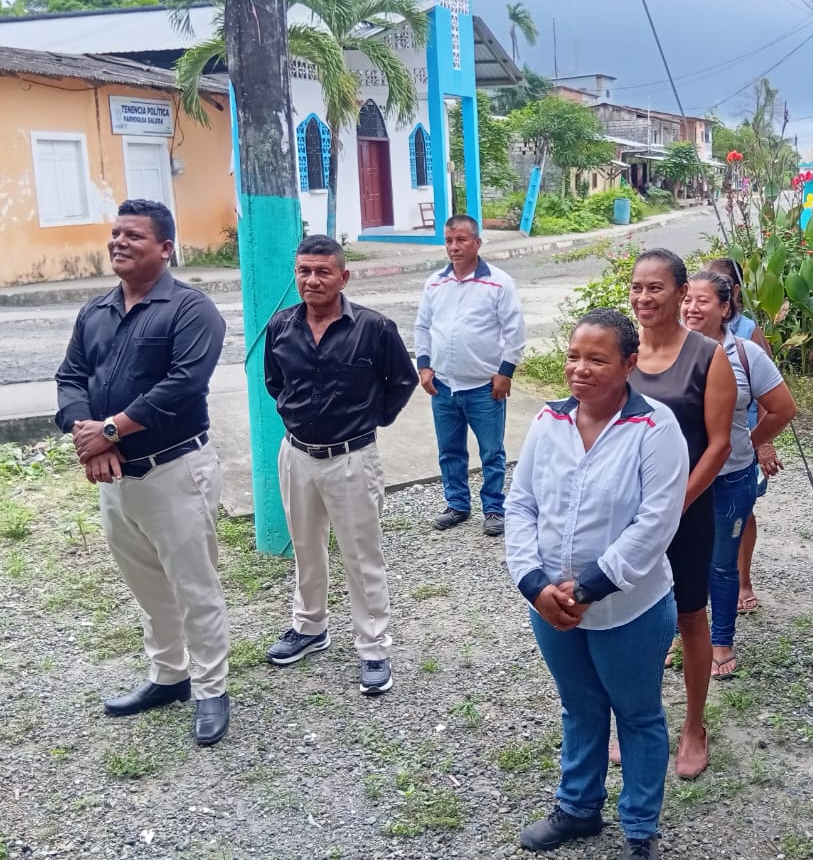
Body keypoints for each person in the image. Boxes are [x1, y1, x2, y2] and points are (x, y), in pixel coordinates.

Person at [505, 308, 687, 860]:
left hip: (629, 609)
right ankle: (579, 808)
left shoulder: (655, 429)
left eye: (597, 359)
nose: (579, 369)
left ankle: (639, 829)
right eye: (573, 356)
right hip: (550, 606)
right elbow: (521, 504)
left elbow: (655, 524)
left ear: (630, 364)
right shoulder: (548, 421)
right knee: (579, 706)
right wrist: (534, 584)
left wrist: (585, 590)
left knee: (637, 714)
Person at [54, 199, 230, 746]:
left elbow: (183, 385)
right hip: (115, 478)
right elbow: (70, 377)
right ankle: (169, 676)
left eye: (133, 235)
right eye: (115, 233)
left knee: (194, 585)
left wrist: (110, 431)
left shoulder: (191, 310)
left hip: (174, 470)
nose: (119, 242)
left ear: (165, 248)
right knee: (146, 584)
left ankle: (211, 688)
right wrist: (91, 441)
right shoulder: (96, 311)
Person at [262, 235, 418, 695]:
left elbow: (402, 381)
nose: (312, 280)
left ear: (343, 277)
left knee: (361, 556)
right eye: (304, 271)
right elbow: (275, 382)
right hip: (296, 456)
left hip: (352, 459)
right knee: (305, 548)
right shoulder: (280, 327)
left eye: (323, 271)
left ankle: (373, 647)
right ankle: (310, 627)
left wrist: (369, 419)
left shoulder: (374, 328)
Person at [628, 249, 737, 779]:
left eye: (656, 288)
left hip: (686, 512)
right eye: (637, 287)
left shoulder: (707, 357)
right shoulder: (623, 351)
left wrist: (673, 507)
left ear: (679, 293)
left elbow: (718, 445)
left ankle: (694, 724)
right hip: (626, 514)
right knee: (629, 615)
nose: (644, 298)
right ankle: (635, 718)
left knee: (690, 615)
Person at [683, 271, 796, 679]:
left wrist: (750, 441)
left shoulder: (746, 354)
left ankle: (721, 642)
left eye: (703, 301)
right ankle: (681, 635)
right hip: (677, 479)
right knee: (678, 561)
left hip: (730, 477)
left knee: (721, 564)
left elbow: (783, 408)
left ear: (725, 308)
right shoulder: (667, 350)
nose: (692, 308)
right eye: (687, 299)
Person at [414, 215, 526, 536]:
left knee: (491, 452)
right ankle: (457, 505)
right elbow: (423, 326)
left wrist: (505, 373)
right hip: (444, 387)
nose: (454, 247)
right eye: (449, 241)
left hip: (484, 388)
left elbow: (514, 330)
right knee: (450, 451)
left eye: (461, 240)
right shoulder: (435, 283)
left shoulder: (498, 282)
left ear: (477, 243)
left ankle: (493, 508)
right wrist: (424, 366)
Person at [704, 258, 778, 614]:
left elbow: (770, 395)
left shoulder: (749, 333)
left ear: (733, 292)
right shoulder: (687, 330)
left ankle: (743, 579)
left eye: (719, 283)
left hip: (741, 441)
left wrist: (761, 442)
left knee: (742, 512)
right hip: (704, 446)